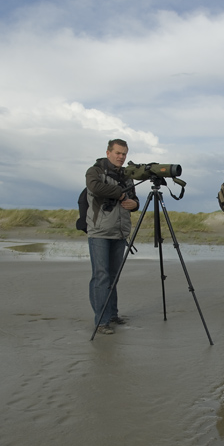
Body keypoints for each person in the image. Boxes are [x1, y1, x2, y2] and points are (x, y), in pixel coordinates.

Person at [85, 139, 140, 334]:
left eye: (124, 154)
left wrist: (134, 204)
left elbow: (134, 198)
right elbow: (95, 188)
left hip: (120, 231)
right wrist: (120, 195)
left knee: (113, 277)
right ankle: (101, 321)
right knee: (101, 276)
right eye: (117, 153)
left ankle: (112, 314)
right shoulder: (95, 171)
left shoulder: (127, 175)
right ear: (108, 153)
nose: (121, 157)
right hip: (99, 231)